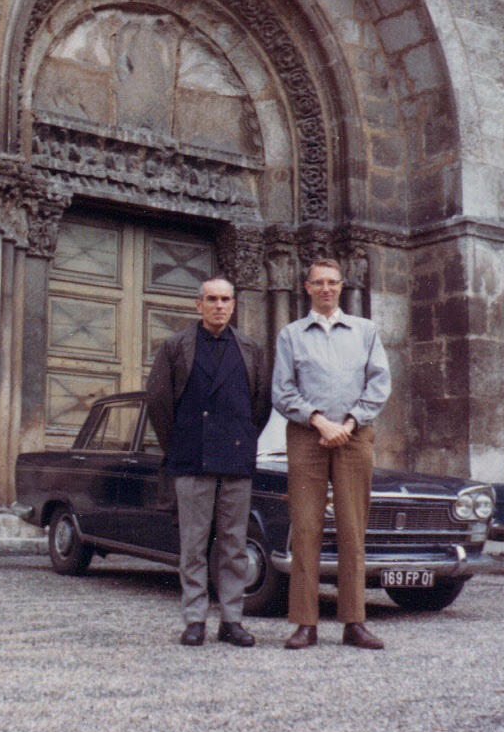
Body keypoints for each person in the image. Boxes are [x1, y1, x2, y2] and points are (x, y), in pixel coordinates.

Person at [272, 258, 392, 650]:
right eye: (318, 282)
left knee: (352, 529)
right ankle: (305, 623)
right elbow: (282, 390)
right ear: (307, 287)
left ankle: (354, 621)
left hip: (354, 438)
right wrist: (320, 422)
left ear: (342, 286)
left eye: (332, 282)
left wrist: (350, 423)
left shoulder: (365, 331)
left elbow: (379, 383)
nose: (326, 289)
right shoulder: (291, 335)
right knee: (306, 528)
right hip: (308, 438)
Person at [146, 277, 271, 647]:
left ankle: (231, 620)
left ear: (234, 304)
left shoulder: (251, 349)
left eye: (226, 299)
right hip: (191, 457)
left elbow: (261, 405)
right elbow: (159, 403)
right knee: (194, 545)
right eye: (212, 299)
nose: (219, 306)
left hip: (235, 458)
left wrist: (242, 440)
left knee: (234, 544)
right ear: (198, 304)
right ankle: (195, 619)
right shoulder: (175, 346)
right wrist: (180, 444)